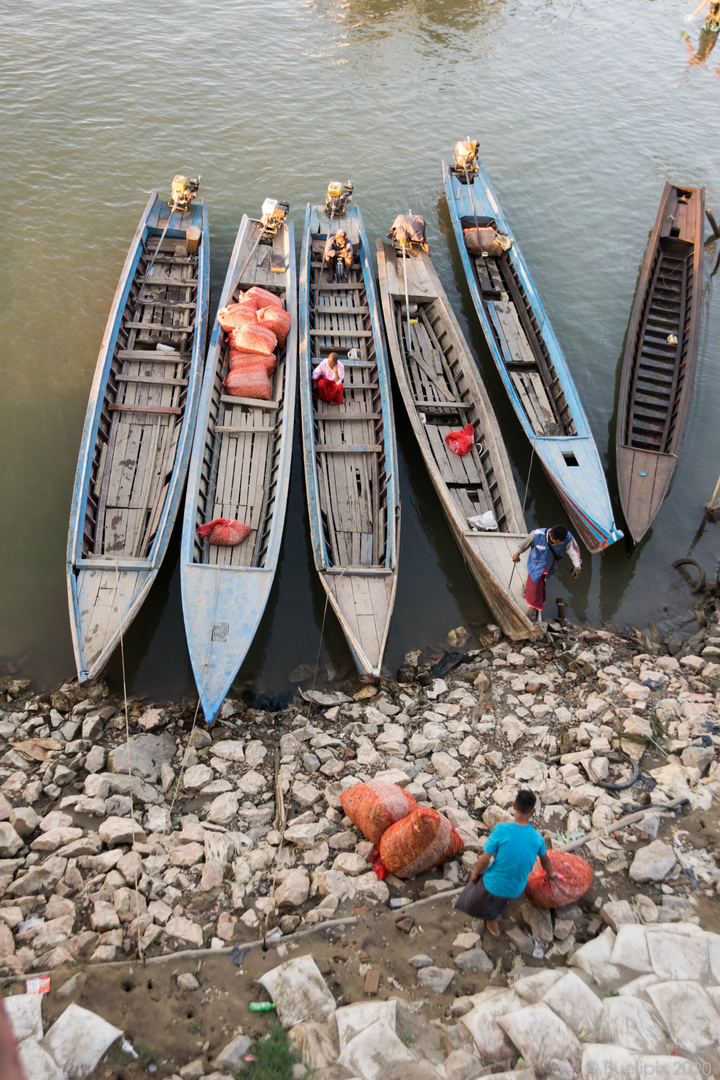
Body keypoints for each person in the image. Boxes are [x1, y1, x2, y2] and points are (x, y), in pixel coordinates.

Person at [459, 789, 557, 938]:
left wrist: (474, 874)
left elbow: (484, 859)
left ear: (513, 806)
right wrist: (550, 873)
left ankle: (488, 919)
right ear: (533, 812)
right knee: (503, 891)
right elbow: (545, 860)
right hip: (517, 889)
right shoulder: (537, 838)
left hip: (494, 885)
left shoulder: (501, 829)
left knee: (475, 889)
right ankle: (493, 911)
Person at [512, 524, 581, 621]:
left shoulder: (568, 538)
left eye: (561, 541)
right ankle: (532, 607)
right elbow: (525, 544)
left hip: (549, 565)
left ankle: (526, 585)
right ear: (551, 536)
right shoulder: (537, 534)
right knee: (536, 585)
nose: (560, 543)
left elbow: (574, 552)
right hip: (536, 565)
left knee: (539, 583)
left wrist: (577, 566)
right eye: (558, 541)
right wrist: (517, 553)